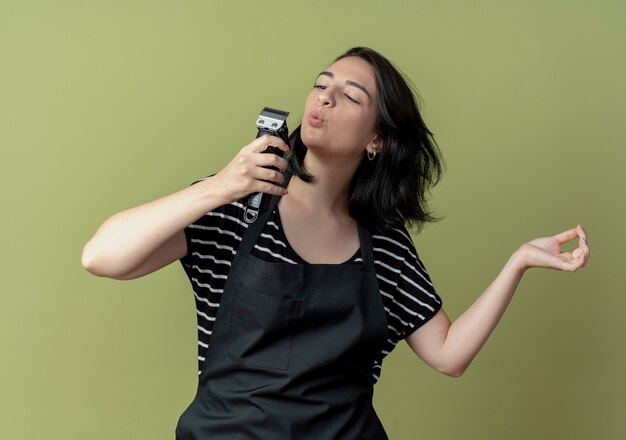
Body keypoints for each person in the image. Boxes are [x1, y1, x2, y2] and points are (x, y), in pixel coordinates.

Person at [82, 47, 590, 439]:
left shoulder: (386, 246)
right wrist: (221, 185)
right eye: (321, 85)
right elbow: (102, 257)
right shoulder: (237, 207)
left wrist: (518, 262)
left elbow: (449, 355)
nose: (324, 97)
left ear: (377, 140)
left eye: (350, 96)